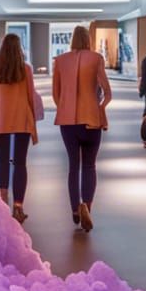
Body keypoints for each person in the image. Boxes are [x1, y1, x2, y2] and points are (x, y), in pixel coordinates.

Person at [52, 25, 112, 232]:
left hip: (68, 121)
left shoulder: (60, 61)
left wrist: (66, 107)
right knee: (89, 166)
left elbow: (56, 94)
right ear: (88, 39)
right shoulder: (96, 59)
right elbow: (107, 92)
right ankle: (87, 204)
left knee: (73, 166)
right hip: (91, 120)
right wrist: (100, 107)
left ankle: (75, 211)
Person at [0, 34, 39, 224]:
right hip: (22, 120)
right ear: (19, 49)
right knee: (20, 163)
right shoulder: (26, 70)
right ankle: (18, 206)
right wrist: (33, 127)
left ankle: (2, 202)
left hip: (1, 121)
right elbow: (31, 98)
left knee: (3, 161)